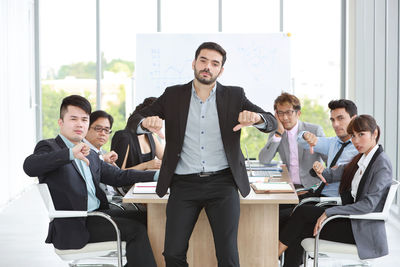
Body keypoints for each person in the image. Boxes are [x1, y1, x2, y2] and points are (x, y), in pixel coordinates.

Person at [130, 42, 277, 267]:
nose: (208, 67)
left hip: (223, 183)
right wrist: (144, 122)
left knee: (227, 256)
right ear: (194, 63)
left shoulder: (234, 95)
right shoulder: (173, 95)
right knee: (172, 253)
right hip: (183, 184)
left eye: (214, 63)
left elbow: (271, 121)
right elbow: (133, 121)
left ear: (221, 70)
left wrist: (257, 119)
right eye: (203, 60)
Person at [23, 95, 157, 267]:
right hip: (77, 224)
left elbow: (119, 176)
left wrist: (157, 176)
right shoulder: (49, 147)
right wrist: (70, 154)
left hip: (98, 215)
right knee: (136, 231)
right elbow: (29, 166)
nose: (79, 124)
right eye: (73, 119)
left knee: (149, 219)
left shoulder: (90, 153)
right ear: (61, 122)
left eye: (84, 119)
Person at [279, 115, 392, 267]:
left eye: (361, 134)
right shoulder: (362, 159)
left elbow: (368, 205)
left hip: (360, 229)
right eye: (353, 135)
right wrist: (318, 169)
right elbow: (331, 175)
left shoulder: (381, 164)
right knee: (295, 223)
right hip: (351, 220)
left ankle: (267, 260)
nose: (356, 140)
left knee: (301, 214)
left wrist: (329, 212)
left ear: (375, 133)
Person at [258, 92, 326, 189]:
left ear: (298, 113)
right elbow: (264, 159)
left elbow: (329, 159)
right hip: (287, 187)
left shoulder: (314, 130)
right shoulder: (276, 133)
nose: (285, 118)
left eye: (289, 112)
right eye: (280, 113)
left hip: (311, 188)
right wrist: (278, 134)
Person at [297, 99, 359, 197]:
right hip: (318, 192)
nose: (335, 124)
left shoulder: (359, 148)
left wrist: (325, 171)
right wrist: (305, 135)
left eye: (340, 118)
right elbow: (302, 143)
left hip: (332, 201)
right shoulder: (332, 142)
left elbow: (341, 173)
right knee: (281, 204)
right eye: (333, 120)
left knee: (281, 211)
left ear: (354, 119)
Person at [111, 97, 164, 172]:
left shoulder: (150, 135)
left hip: (148, 183)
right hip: (130, 183)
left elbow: (166, 159)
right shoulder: (123, 136)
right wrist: (146, 165)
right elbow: (118, 172)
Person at [84, 110, 119, 196]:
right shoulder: (80, 150)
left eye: (106, 130)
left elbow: (118, 178)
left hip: (115, 198)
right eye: (98, 129)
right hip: (99, 204)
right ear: (86, 128)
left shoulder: (104, 153)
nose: (103, 133)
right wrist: (102, 159)